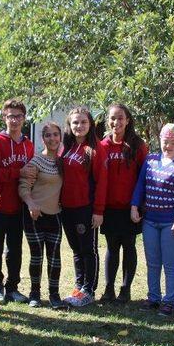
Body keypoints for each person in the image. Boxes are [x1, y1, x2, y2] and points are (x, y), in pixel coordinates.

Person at [131, 123, 174, 317]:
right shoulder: (150, 160)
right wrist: (134, 205)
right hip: (149, 220)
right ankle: (153, 297)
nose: (168, 146)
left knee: (170, 263)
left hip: (170, 223)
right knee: (152, 262)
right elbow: (141, 185)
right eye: (165, 141)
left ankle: (169, 301)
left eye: (173, 142)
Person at [98, 103, 148, 304]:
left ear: (128, 120)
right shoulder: (102, 146)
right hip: (109, 207)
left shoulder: (138, 145)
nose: (116, 122)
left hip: (131, 207)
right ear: (107, 121)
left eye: (120, 118)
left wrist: (138, 205)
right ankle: (109, 289)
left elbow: (144, 177)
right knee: (111, 247)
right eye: (112, 118)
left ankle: (125, 290)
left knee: (129, 246)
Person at [59, 107, 108, 307]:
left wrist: (98, 211)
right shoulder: (66, 148)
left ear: (90, 125)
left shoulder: (95, 149)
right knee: (76, 250)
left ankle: (89, 289)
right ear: (70, 126)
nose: (79, 126)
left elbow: (102, 182)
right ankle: (79, 286)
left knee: (89, 249)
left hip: (85, 208)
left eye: (83, 122)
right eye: (75, 123)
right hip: (66, 208)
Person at [0, 99, 34, 305]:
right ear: (4, 118)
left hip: (19, 206)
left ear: (24, 118)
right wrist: (18, 172)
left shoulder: (29, 145)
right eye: (10, 116)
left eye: (18, 116)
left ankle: (12, 287)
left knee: (15, 249)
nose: (14, 120)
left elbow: (32, 173)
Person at [18, 122, 67, 309]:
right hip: (34, 215)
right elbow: (23, 186)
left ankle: (54, 295)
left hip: (55, 215)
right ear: (43, 139)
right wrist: (31, 203)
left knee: (54, 257)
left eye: (56, 135)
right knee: (36, 256)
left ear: (60, 137)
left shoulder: (63, 162)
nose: (52, 138)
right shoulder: (36, 161)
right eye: (48, 135)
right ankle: (35, 293)